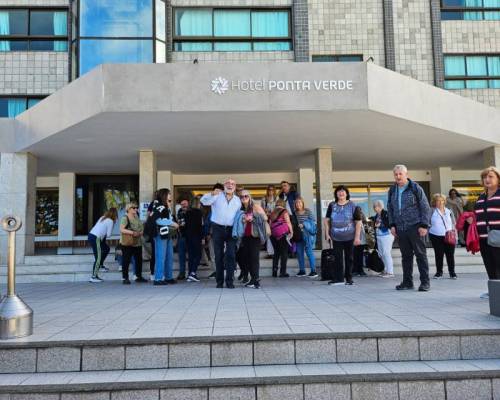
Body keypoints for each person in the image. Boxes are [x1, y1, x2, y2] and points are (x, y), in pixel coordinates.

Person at [387, 164, 432, 292]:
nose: (398, 176)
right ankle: (407, 282)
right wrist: (392, 225)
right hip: (401, 228)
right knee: (406, 256)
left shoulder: (415, 187)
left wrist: (424, 225)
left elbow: (425, 206)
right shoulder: (392, 190)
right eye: (396, 174)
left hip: (416, 226)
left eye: (400, 174)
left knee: (420, 255)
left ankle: (425, 282)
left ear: (406, 174)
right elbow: (390, 209)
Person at [201, 178, 242, 289]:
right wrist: (212, 193)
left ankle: (229, 281)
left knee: (231, 255)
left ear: (235, 186)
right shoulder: (217, 196)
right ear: (224, 185)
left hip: (231, 229)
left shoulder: (238, 200)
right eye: (228, 183)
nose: (230, 185)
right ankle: (219, 281)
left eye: (233, 184)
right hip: (217, 228)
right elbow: (204, 201)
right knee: (218, 255)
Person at [324, 185, 363, 286]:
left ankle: (349, 279)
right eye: (339, 191)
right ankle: (338, 278)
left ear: (346, 194)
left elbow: (358, 222)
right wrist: (327, 233)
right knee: (337, 258)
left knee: (349, 258)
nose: (341, 193)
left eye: (343, 191)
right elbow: (327, 220)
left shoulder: (352, 205)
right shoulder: (332, 205)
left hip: (350, 236)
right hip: (336, 237)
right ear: (336, 194)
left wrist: (357, 237)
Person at [474, 166, 500, 299]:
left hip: (498, 237)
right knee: (489, 265)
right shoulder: (481, 197)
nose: (487, 179)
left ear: (498, 178)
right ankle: (494, 292)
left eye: (490, 176)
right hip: (484, 238)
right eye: (485, 177)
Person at [233, 190, 268, 288]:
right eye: (241, 197)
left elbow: (265, 218)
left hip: (254, 236)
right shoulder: (241, 209)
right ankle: (252, 279)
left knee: (254, 258)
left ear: (249, 197)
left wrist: (253, 217)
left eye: (246, 196)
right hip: (245, 236)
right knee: (247, 258)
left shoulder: (255, 206)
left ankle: (256, 280)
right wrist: (243, 219)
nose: (244, 198)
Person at [151, 188, 179, 286]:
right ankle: (158, 278)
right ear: (164, 195)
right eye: (169, 194)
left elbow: (168, 218)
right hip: (160, 234)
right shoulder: (158, 205)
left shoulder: (166, 206)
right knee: (161, 256)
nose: (170, 195)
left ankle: (168, 277)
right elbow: (158, 220)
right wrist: (172, 223)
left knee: (169, 256)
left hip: (167, 234)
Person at [429, 193, 457, 280]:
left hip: (449, 235)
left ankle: (452, 273)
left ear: (444, 201)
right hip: (436, 236)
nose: (440, 202)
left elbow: (453, 223)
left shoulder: (449, 210)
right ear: (434, 202)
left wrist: (455, 234)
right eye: (438, 200)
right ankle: (439, 272)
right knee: (439, 254)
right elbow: (426, 221)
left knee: (450, 255)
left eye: (442, 200)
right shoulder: (431, 210)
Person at [119, 203, 147, 284]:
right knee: (126, 260)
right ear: (129, 209)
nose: (136, 209)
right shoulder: (125, 218)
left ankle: (138, 276)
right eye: (134, 208)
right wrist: (132, 232)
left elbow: (141, 228)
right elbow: (121, 229)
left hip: (137, 242)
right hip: (128, 242)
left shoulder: (136, 217)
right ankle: (125, 278)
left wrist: (141, 232)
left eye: (136, 208)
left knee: (139, 260)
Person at [88, 208, 118, 283]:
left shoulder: (102, 218)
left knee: (106, 248)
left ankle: (101, 265)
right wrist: (112, 226)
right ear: (115, 215)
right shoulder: (110, 221)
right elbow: (108, 235)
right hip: (96, 238)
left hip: (91, 235)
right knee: (98, 257)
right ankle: (93, 277)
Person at [293, 197, 318, 277]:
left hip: (307, 235)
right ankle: (302, 270)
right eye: (296, 203)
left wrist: (304, 224)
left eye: (300, 202)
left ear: (303, 203)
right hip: (299, 235)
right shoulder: (295, 213)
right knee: (299, 253)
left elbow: (314, 222)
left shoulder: (308, 211)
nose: (298, 204)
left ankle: (313, 271)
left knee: (309, 253)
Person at [370, 200, 394, 277]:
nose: (375, 208)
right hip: (379, 236)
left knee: (386, 253)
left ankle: (390, 272)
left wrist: (380, 225)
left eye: (376, 206)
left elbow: (389, 224)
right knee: (382, 254)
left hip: (386, 236)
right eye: (374, 207)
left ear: (381, 206)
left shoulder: (386, 214)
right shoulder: (376, 216)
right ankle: (386, 270)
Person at [270, 199, 294, 277]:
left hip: (273, 235)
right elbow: (288, 222)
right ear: (283, 204)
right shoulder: (284, 211)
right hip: (283, 235)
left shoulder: (273, 212)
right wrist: (291, 231)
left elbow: (270, 223)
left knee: (276, 253)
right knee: (284, 253)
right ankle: (282, 272)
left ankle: (274, 271)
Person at [185, 197, 203, 282]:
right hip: (196, 236)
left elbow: (185, 226)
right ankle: (193, 273)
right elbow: (200, 226)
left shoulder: (187, 212)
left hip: (188, 236)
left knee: (191, 256)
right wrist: (202, 237)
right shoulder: (199, 213)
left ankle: (189, 274)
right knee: (198, 255)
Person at [261, 185, 277, 258]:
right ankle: (270, 253)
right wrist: (265, 212)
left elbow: (279, 209)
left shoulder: (277, 199)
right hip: (267, 220)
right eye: (269, 189)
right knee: (268, 235)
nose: (271, 191)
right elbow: (262, 210)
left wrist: (272, 213)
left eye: (272, 189)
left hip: (275, 220)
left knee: (276, 235)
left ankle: (276, 252)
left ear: (274, 190)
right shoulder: (264, 199)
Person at [176, 198, 189, 280]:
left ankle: (192, 273)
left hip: (191, 236)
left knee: (192, 256)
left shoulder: (192, 211)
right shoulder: (179, 212)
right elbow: (179, 223)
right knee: (181, 256)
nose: (183, 205)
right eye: (182, 204)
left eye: (185, 203)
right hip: (181, 236)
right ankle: (182, 273)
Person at [352, 209, 368, 277]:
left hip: (356, 240)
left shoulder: (354, 219)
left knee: (355, 256)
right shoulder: (363, 218)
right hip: (362, 241)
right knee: (360, 256)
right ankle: (360, 270)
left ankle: (356, 270)